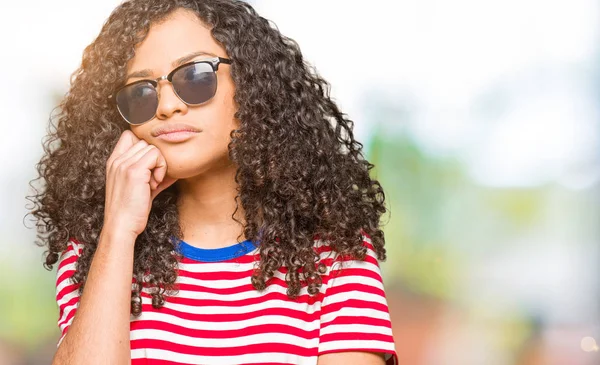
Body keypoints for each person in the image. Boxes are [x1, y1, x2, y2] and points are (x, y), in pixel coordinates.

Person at [28, 0, 398, 363]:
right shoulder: (97, 249)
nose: (167, 106)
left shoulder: (334, 251)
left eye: (194, 76)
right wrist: (119, 230)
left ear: (252, 83)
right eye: (141, 91)